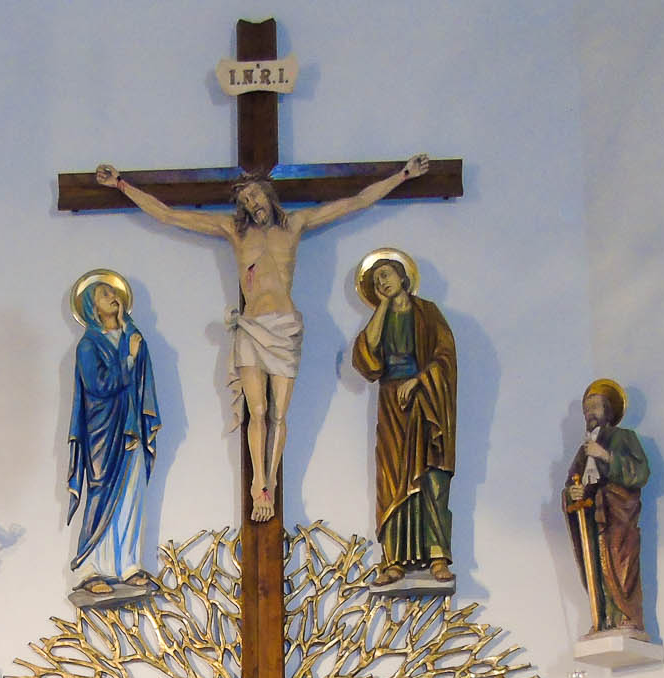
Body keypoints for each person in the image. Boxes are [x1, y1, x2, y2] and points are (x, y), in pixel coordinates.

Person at [93, 155, 432, 517]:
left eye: (255, 195)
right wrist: (121, 185)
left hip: (285, 328)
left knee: (279, 414)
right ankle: (260, 485)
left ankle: (270, 476)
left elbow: (357, 201)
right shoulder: (234, 231)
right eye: (245, 201)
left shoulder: (296, 224)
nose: (251, 204)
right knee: (257, 410)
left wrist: (404, 175)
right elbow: (169, 215)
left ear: (269, 194)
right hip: (252, 327)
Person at [350, 251, 457, 587]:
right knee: (392, 477)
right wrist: (381, 307)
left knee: (430, 475)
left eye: (386, 274)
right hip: (391, 404)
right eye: (376, 280)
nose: (382, 282)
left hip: (426, 403)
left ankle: (437, 555)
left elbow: (444, 357)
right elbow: (366, 357)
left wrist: (419, 380)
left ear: (403, 276)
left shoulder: (428, 312)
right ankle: (394, 559)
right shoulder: (380, 318)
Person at [67, 274, 160, 600]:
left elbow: (141, 380)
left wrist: (130, 339)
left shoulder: (132, 338)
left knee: (133, 492)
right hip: (102, 431)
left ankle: (129, 565)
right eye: (104, 294)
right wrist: (128, 357)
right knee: (102, 493)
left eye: (113, 292)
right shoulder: (88, 345)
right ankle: (91, 567)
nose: (112, 297)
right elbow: (98, 385)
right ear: (92, 308)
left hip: (130, 428)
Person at [561, 378, 650, 635]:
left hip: (618, 516)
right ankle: (602, 619)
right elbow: (573, 484)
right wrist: (573, 493)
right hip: (593, 516)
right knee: (596, 567)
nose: (590, 413)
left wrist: (605, 455)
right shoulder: (583, 451)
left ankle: (626, 617)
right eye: (586, 409)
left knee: (621, 565)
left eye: (595, 407)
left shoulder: (624, 438)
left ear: (608, 411)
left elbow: (640, 472)